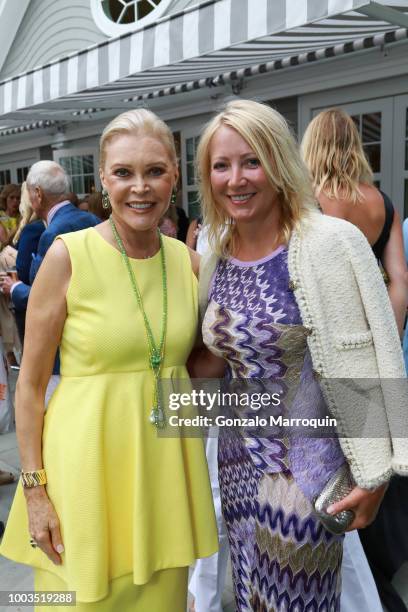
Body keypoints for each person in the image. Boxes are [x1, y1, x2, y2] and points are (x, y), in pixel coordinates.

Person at [189, 99, 407, 611]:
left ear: (281, 162)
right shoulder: (217, 250)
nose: (236, 179)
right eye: (221, 165)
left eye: (252, 161)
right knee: (249, 596)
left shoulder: (330, 242)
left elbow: (370, 360)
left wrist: (376, 476)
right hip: (236, 459)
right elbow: (216, 363)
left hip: (306, 471)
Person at [0, 109, 218, 611]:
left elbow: (195, 366)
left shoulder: (187, 262)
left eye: (154, 171)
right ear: (102, 178)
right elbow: (29, 386)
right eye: (123, 173)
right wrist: (34, 492)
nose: (139, 187)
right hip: (85, 474)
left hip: (165, 475)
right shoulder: (67, 256)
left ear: (174, 176)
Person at [302, 108, 408, 612]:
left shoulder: (309, 204)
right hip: (365, 358)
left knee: (323, 470)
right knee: (369, 464)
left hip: (319, 358)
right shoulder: (379, 204)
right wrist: (382, 338)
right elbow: (399, 284)